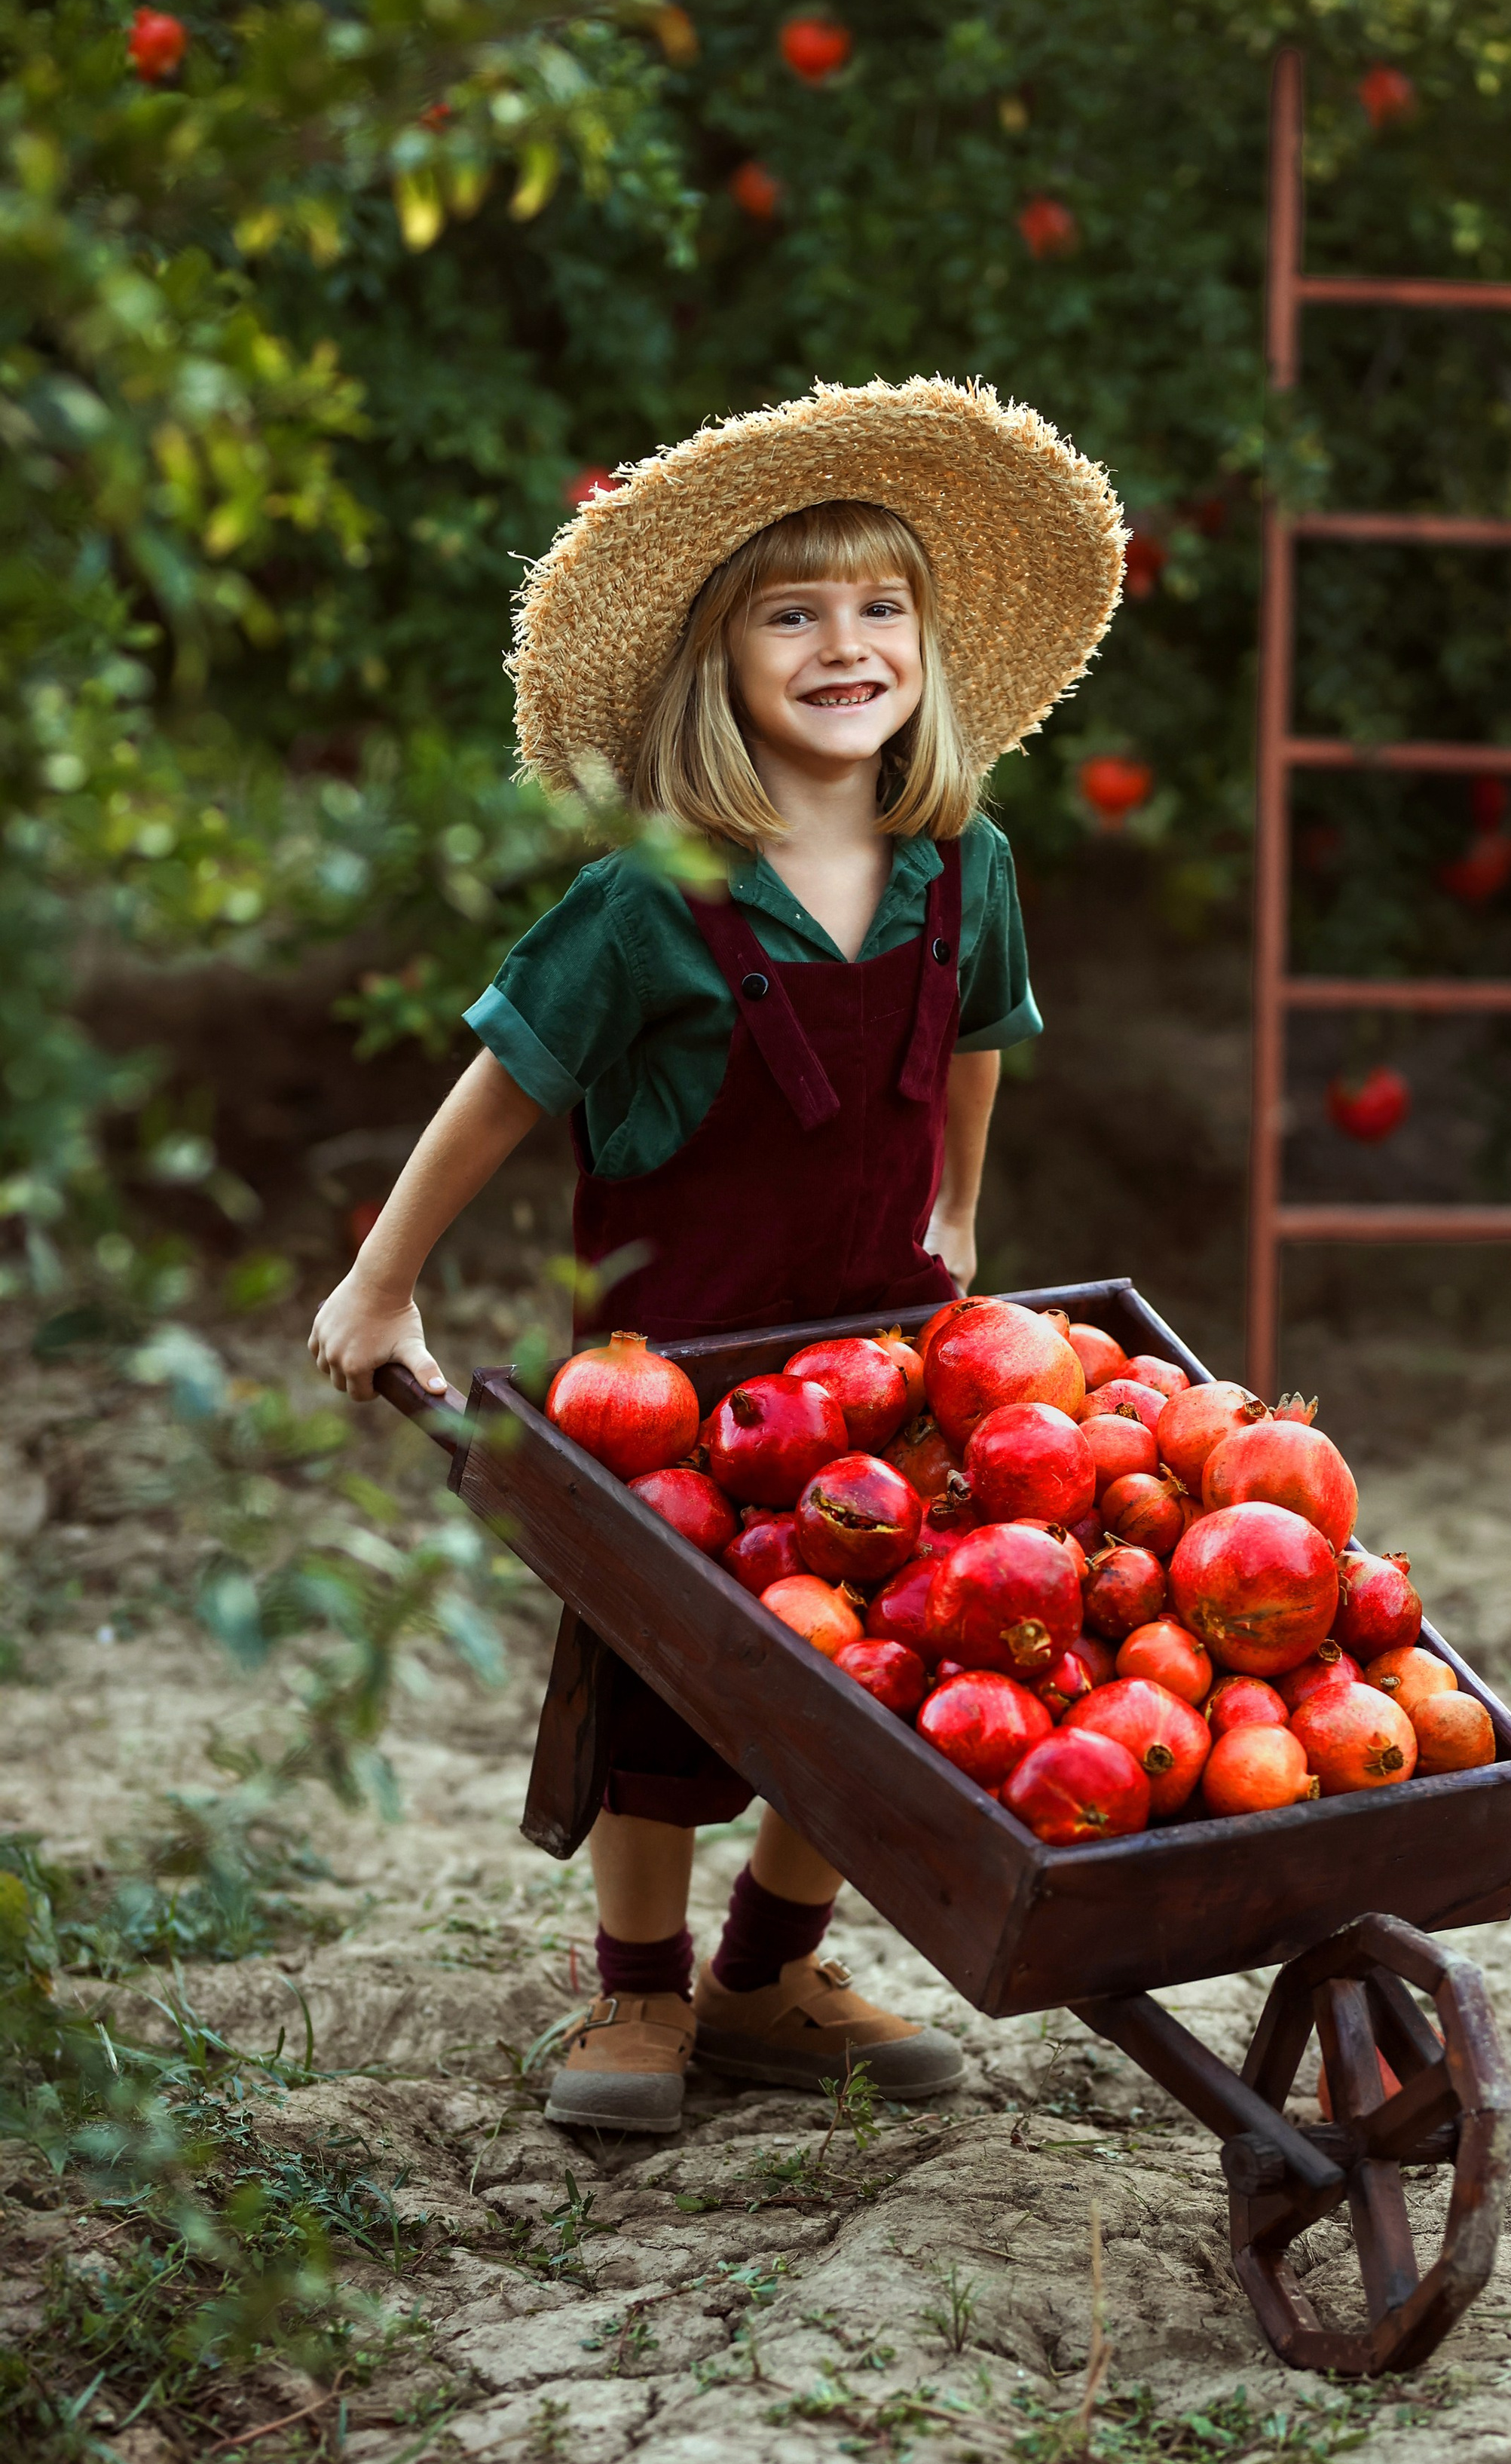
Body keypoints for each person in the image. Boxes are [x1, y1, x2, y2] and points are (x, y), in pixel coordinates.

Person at [307, 375, 1123, 2134]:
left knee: (880, 1662)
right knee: (673, 1677)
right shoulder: (644, 900)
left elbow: (973, 1041)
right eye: (793, 614)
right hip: (674, 1372)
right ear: (720, 664)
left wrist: (960, 1216)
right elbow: (503, 1084)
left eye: (880, 608)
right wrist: (383, 1280)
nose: (848, 645)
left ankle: (768, 1972)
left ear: (924, 646)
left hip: (885, 1349)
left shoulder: (961, 866)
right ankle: (638, 1996)